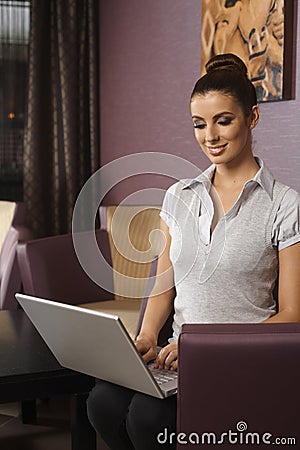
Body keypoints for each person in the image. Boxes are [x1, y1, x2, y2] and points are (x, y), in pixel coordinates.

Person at [86, 53, 300, 449]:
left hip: (241, 362)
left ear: (252, 118)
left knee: (148, 418)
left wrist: (208, 351)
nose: (210, 137)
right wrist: (148, 334)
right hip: (176, 357)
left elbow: (291, 314)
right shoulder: (178, 196)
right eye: (199, 124)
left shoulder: (285, 205)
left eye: (224, 121)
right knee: (102, 403)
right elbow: (163, 284)